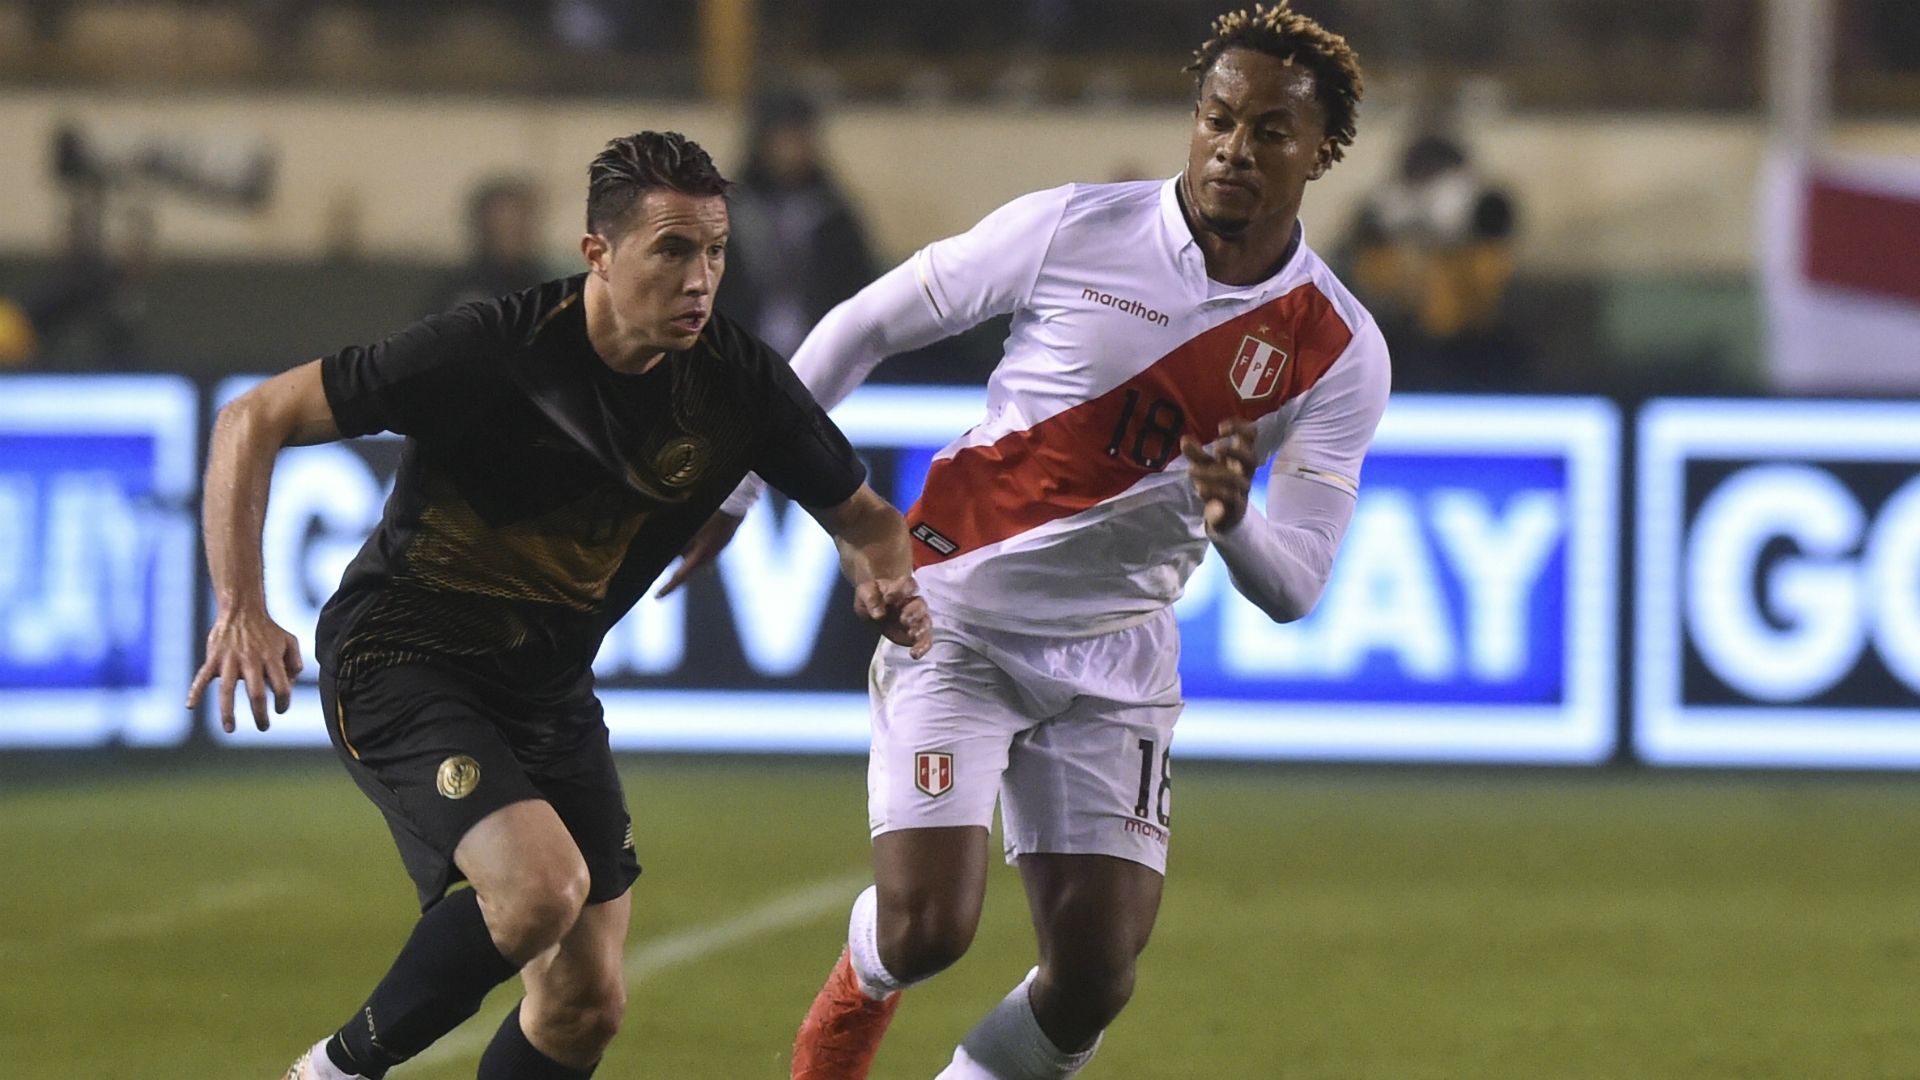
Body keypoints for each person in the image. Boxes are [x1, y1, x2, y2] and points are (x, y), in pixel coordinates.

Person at [666, 5, 1389, 1077]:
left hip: (1119, 656)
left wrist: (1235, 525)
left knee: (1095, 979)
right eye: (1217, 118)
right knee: (926, 930)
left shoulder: (1339, 350)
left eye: (1270, 132)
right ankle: (843, 1015)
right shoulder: (1074, 228)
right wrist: (733, 489)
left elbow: (1299, 584)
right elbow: (861, 327)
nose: (1234, 148)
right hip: (955, 615)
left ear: (1321, 152)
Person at [186, 131, 932, 1080]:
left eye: (715, 251)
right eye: (671, 249)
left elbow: (867, 519)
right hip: (403, 658)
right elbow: (252, 417)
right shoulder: (490, 349)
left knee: (583, 1005)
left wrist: (880, 574)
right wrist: (241, 604)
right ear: (598, 254)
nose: (701, 278)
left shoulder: (738, 384)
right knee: (541, 892)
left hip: (545, 692)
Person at [1346, 131, 1521, 389]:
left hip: (1477, 358)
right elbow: (1369, 286)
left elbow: (1489, 287)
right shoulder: (1379, 237)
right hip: (1400, 355)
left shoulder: (1485, 243)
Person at [719, 89, 878, 358]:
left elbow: (855, 291)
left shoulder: (834, 215)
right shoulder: (728, 212)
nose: (789, 149)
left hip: (820, 353)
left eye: (798, 137)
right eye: (780, 138)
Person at [424, 175, 551, 314]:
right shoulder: (461, 291)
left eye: (522, 221)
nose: (513, 232)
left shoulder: (546, 287)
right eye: (504, 224)